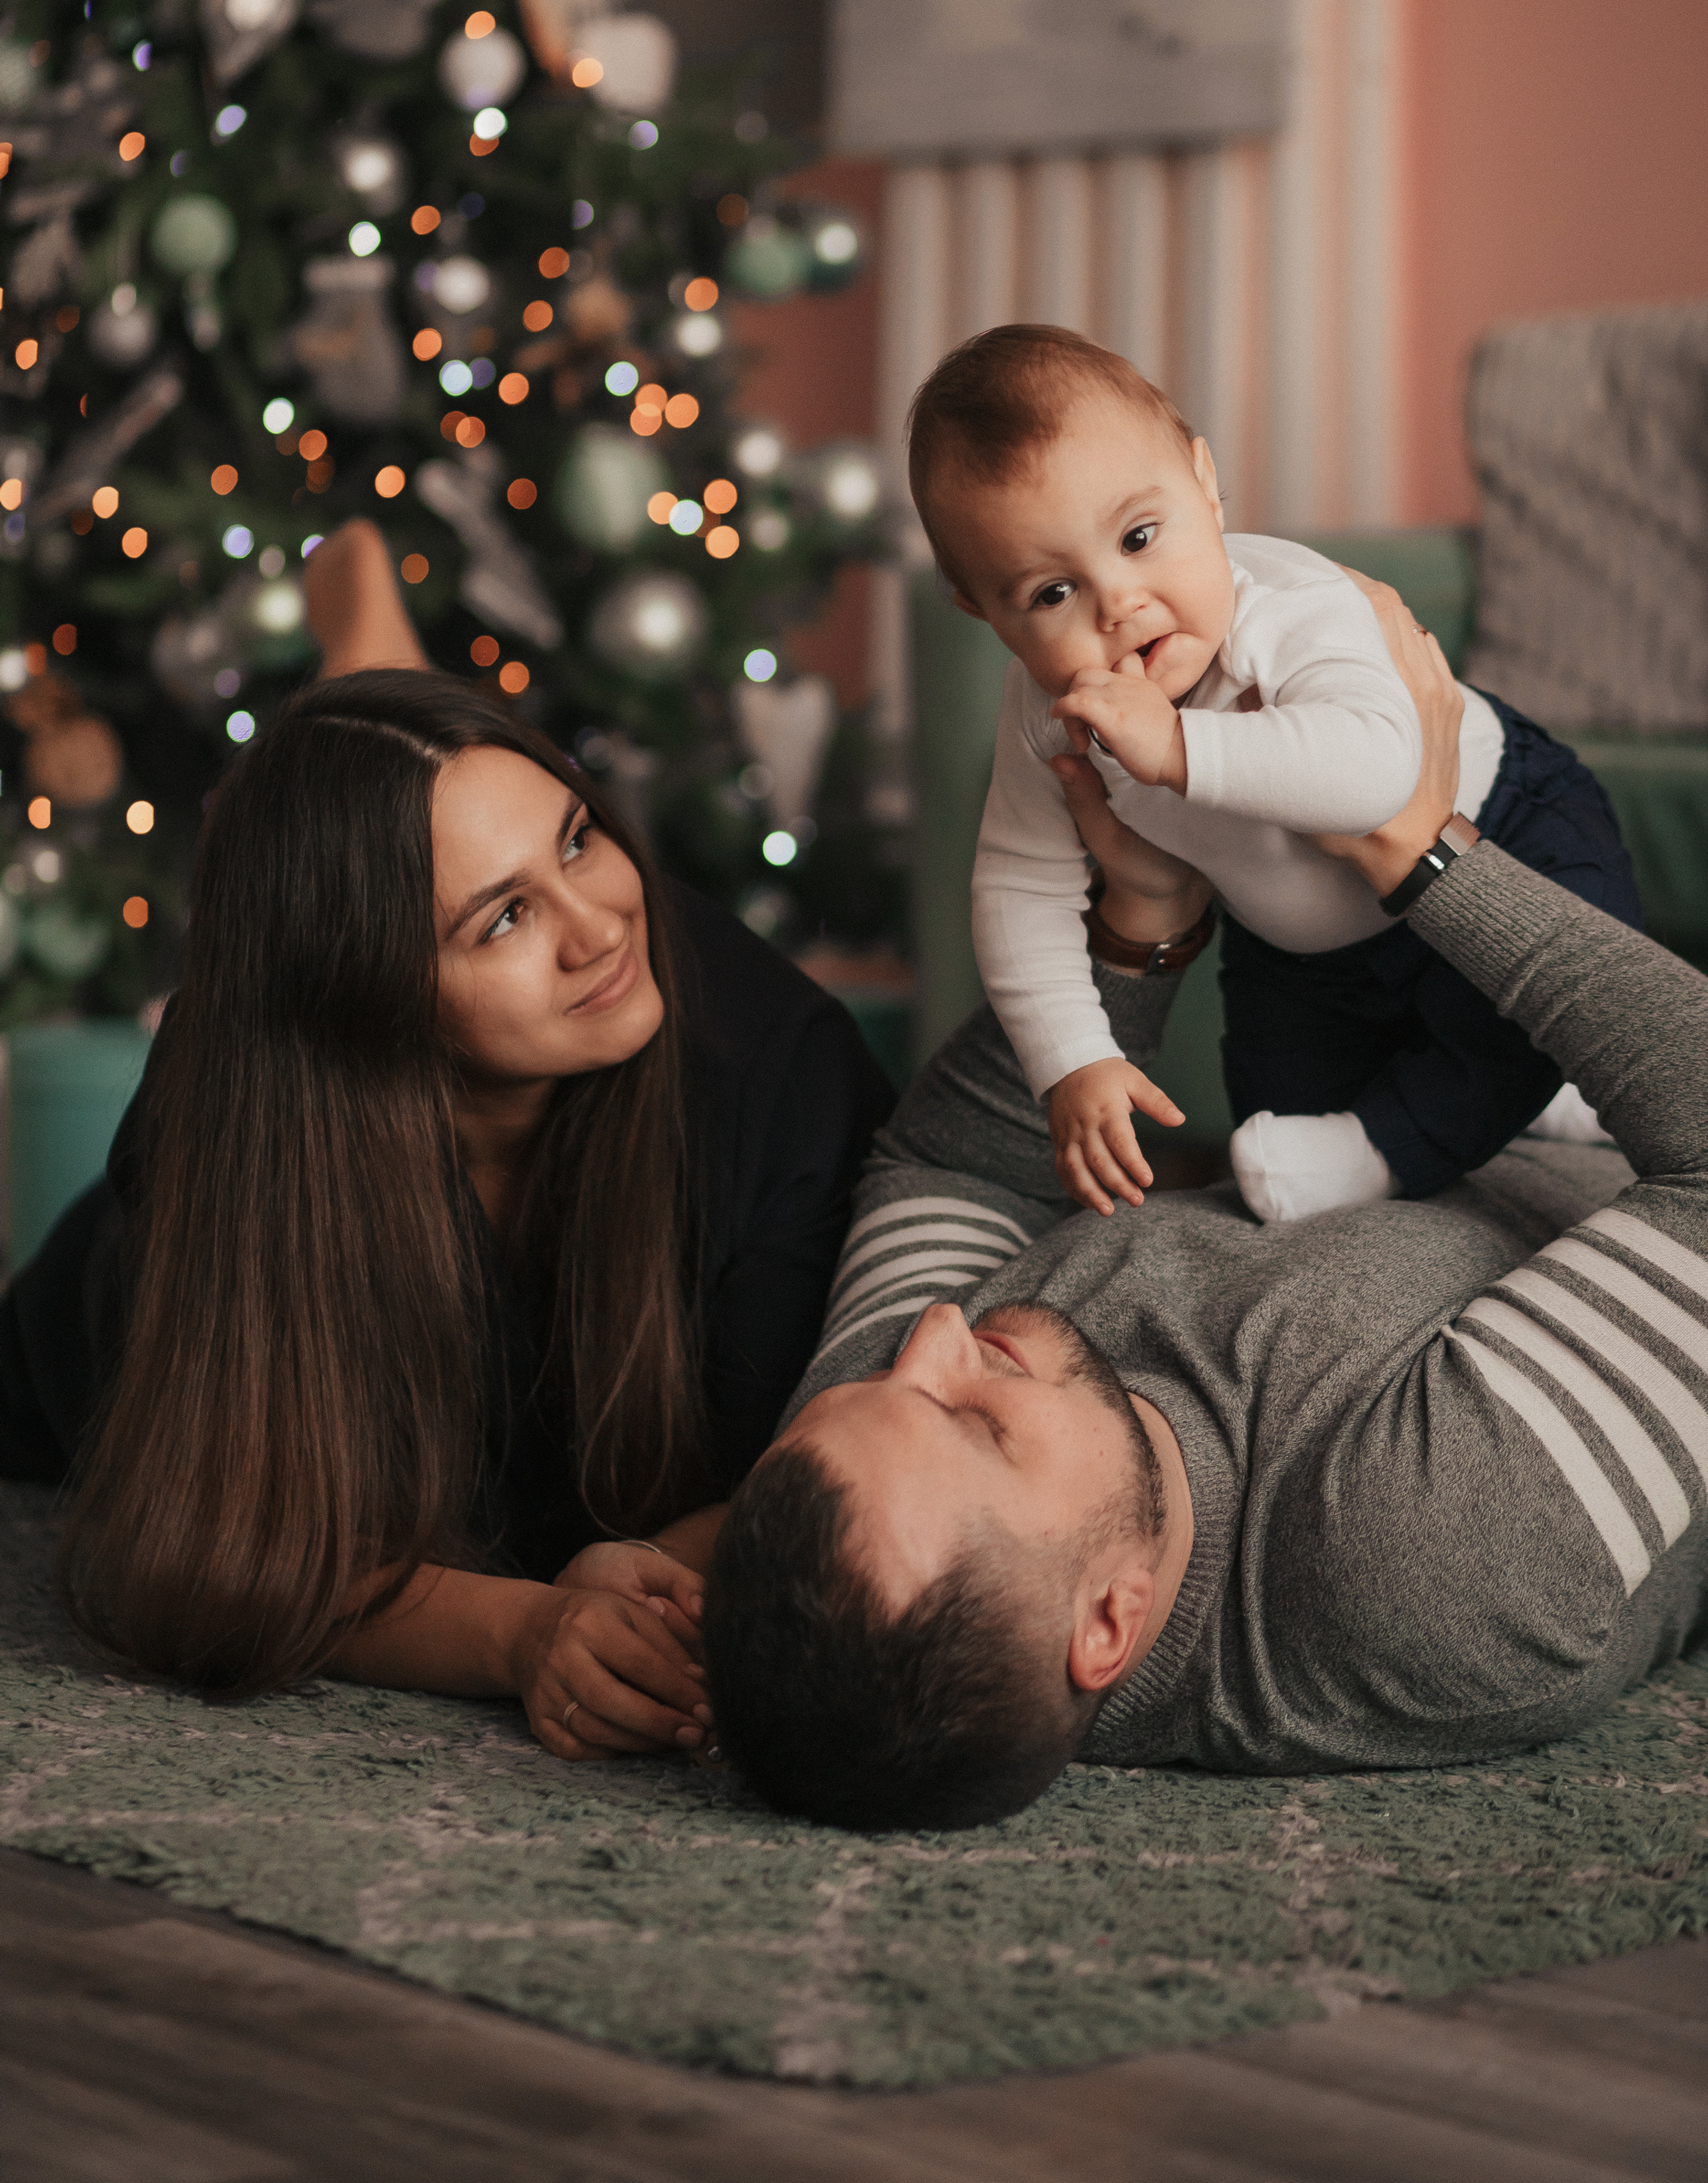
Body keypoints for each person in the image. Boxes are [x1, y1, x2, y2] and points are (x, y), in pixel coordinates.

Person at [701, 590, 1708, 1830]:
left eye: (891, 1376)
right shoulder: (1430, 1556)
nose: (936, 1336)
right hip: (1628, 1147)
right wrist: (1418, 851)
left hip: (1398, 1108)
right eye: (981, 1427)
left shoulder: (865, 1457)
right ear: (1111, 1622)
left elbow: (946, 1167)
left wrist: (1138, 930)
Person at [0, 524, 893, 1763]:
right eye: (505, 917)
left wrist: (635, 1576)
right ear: (376, 1013)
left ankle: (378, 681)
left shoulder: (770, 1069)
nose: (597, 927)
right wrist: (515, 1633)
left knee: (447, 832)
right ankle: (369, 690)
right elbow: (225, 1560)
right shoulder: (235, 1122)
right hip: (133, 1282)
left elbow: (811, 1468)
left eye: (581, 834)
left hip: (606, 1075)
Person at [910, 324, 1640, 1224]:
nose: (1120, 605)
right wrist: (1072, 1056)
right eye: (1052, 594)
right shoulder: (1044, 711)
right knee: (1272, 1139)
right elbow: (1018, 885)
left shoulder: (1288, 608)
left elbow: (1374, 776)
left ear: (1205, 487)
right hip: (1300, 950)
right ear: (984, 612)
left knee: (1521, 1026)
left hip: (1504, 834)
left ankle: (1427, 1134)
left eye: (1140, 536)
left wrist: (1178, 750)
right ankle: (1520, 1105)